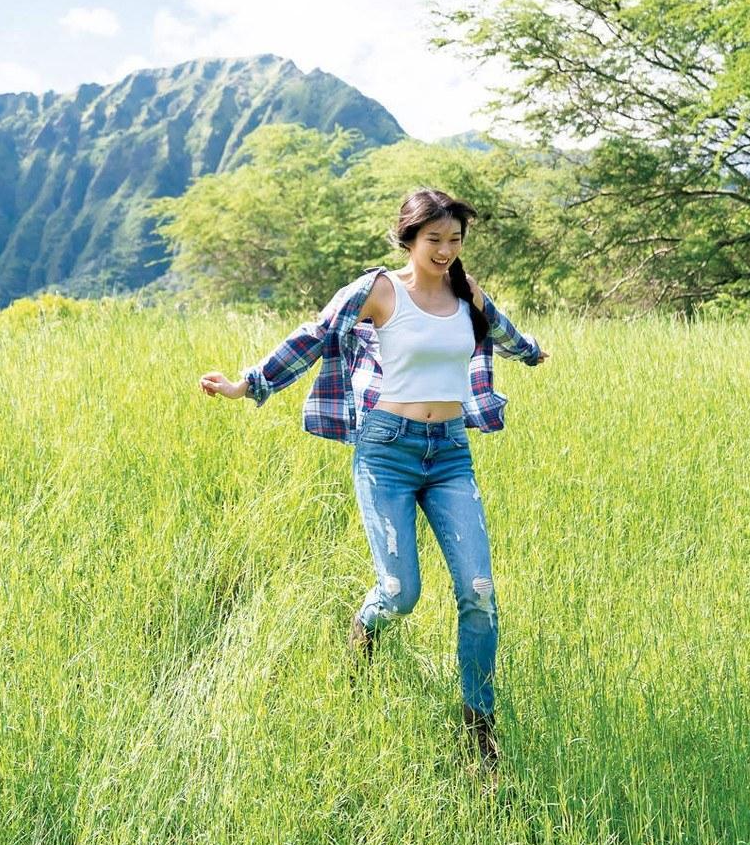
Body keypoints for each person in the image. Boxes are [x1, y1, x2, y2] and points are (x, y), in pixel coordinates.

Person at [198, 186, 549, 773]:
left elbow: (504, 331)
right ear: (409, 239)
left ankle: (480, 733)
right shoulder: (380, 291)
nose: (445, 250)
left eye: (455, 240)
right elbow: (312, 335)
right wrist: (247, 384)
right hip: (386, 452)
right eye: (434, 239)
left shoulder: (468, 295)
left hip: (451, 455)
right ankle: (366, 627)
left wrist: (533, 353)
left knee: (480, 594)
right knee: (401, 593)